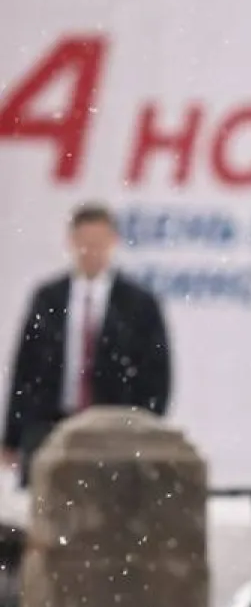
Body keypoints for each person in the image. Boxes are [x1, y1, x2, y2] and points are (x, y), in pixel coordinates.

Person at [2, 203, 172, 487]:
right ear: (71, 242)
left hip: (115, 431)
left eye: (98, 243)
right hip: (51, 426)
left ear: (112, 242)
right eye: (85, 242)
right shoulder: (48, 298)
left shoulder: (138, 304)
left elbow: (156, 375)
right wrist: (12, 435)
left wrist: (143, 429)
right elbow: (26, 368)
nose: (91, 251)